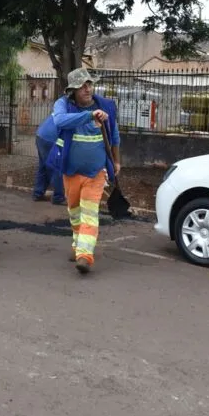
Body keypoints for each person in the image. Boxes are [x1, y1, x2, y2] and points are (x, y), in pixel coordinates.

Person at [50, 68, 121, 274]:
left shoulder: (105, 106)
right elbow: (59, 121)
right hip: (70, 171)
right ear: (72, 90)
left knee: (90, 214)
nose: (87, 88)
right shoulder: (63, 104)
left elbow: (114, 137)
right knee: (74, 212)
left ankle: (84, 255)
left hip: (95, 173)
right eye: (82, 86)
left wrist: (116, 162)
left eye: (89, 84)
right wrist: (90, 116)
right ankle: (77, 244)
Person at [33, 113, 66, 205]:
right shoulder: (77, 110)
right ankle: (58, 197)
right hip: (50, 139)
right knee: (56, 167)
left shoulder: (64, 106)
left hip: (41, 135)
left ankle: (38, 193)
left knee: (43, 166)